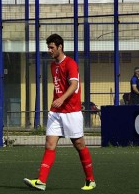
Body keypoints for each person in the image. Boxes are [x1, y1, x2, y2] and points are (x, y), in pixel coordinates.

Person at [23, 34, 96, 191]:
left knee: (79, 144)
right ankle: (41, 181)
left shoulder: (70, 63)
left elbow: (74, 85)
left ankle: (90, 180)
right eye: (48, 47)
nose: (49, 50)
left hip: (71, 111)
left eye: (52, 47)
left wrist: (62, 98)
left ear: (60, 47)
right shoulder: (52, 65)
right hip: (56, 112)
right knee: (49, 144)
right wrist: (58, 101)